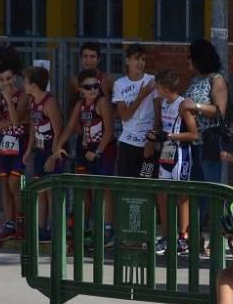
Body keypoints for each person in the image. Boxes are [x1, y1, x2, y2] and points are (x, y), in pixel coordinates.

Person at [53, 69, 116, 245]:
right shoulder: (80, 105)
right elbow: (69, 127)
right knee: (84, 188)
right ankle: (85, 228)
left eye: (96, 85)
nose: (93, 89)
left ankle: (108, 229)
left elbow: (109, 131)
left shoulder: (102, 102)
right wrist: (57, 147)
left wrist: (98, 152)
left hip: (104, 150)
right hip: (86, 150)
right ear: (80, 90)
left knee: (104, 189)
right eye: (88, 87)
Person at [149, 70, 199, 255]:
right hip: (166, 152)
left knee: (181, 196)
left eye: (157, 87)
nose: (156, 90)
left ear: (164, 87)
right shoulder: (163, 103)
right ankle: (166, 236)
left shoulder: (182, 105)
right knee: (161, 194)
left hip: (181, 153)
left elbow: (194, 134)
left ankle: (182, 237)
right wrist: (155, 135)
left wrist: (170, 135)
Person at [22, 65, 63, 243]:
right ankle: (41, 228)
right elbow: (33, 127)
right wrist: (28, 150)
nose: (23, 84)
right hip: (39, 150)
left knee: (52, 191)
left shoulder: (49, 102)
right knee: (40, 190)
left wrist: (53, 156)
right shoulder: (33, 101)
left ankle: (56, 229)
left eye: (25, 81)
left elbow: (58, 130)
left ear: (34, 84)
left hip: (51, 150)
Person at [0, 63, 28, 242]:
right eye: (1, 80)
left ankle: (21, 219)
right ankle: (9, 223)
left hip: (21, 143)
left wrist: (10, 118)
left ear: (14, 78)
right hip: (6, 143)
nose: (5, 83)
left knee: (15, 182)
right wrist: (10, 122)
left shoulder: (22, 96)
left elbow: (16, 118)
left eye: (8, 78)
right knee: (4, 182)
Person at [183, 39, 229, 184]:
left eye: (190, 57)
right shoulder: (195, 80)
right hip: (192, 142)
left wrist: (196, 106)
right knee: (194, 186)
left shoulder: (217, 80)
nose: (188, 60)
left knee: (209, 186)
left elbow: (219, 110)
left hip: (208, 143)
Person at [112, 43, 157, 178]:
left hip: (147, 144)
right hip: (128, 143)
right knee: (127, 185)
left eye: (143, 59)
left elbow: (158, 114)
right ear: (127, 61)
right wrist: (141, 95)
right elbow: (124, 116)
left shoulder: (152, 81)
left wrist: (151, 141)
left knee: (147, 184)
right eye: (136, 58)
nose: (140, 63)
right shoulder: (119, 84)